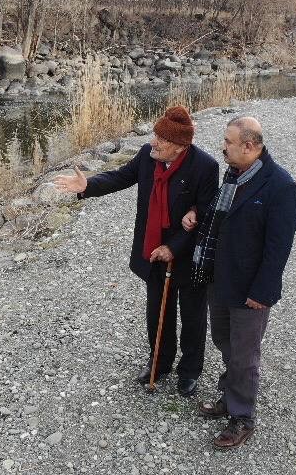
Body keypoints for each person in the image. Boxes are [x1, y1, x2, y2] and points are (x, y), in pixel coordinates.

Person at [54, 106, 219, 396]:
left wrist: (174, 246)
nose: (153, 142)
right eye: (154, 135)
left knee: (193, 316)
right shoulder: (147, 155)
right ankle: (160, 362)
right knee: (157, 313)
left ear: (181, 146)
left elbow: (206, 216)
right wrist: (87, 185)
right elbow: (120, 177)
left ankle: (190, 371)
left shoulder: (205, 167)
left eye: (161, 139)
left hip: (188, 256)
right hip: (152, 250)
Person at [182, 116, 296, 450]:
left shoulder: (281, 187)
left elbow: (279, 249)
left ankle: (242, 416)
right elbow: (222, 220)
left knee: (245, 355)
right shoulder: (234, 175)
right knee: (224, 340)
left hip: (250, 289)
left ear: (249, 147)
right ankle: (231, 393)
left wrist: (263, 292)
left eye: (228, 142)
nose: (223, 147)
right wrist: (196, 213)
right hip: (220, 279)